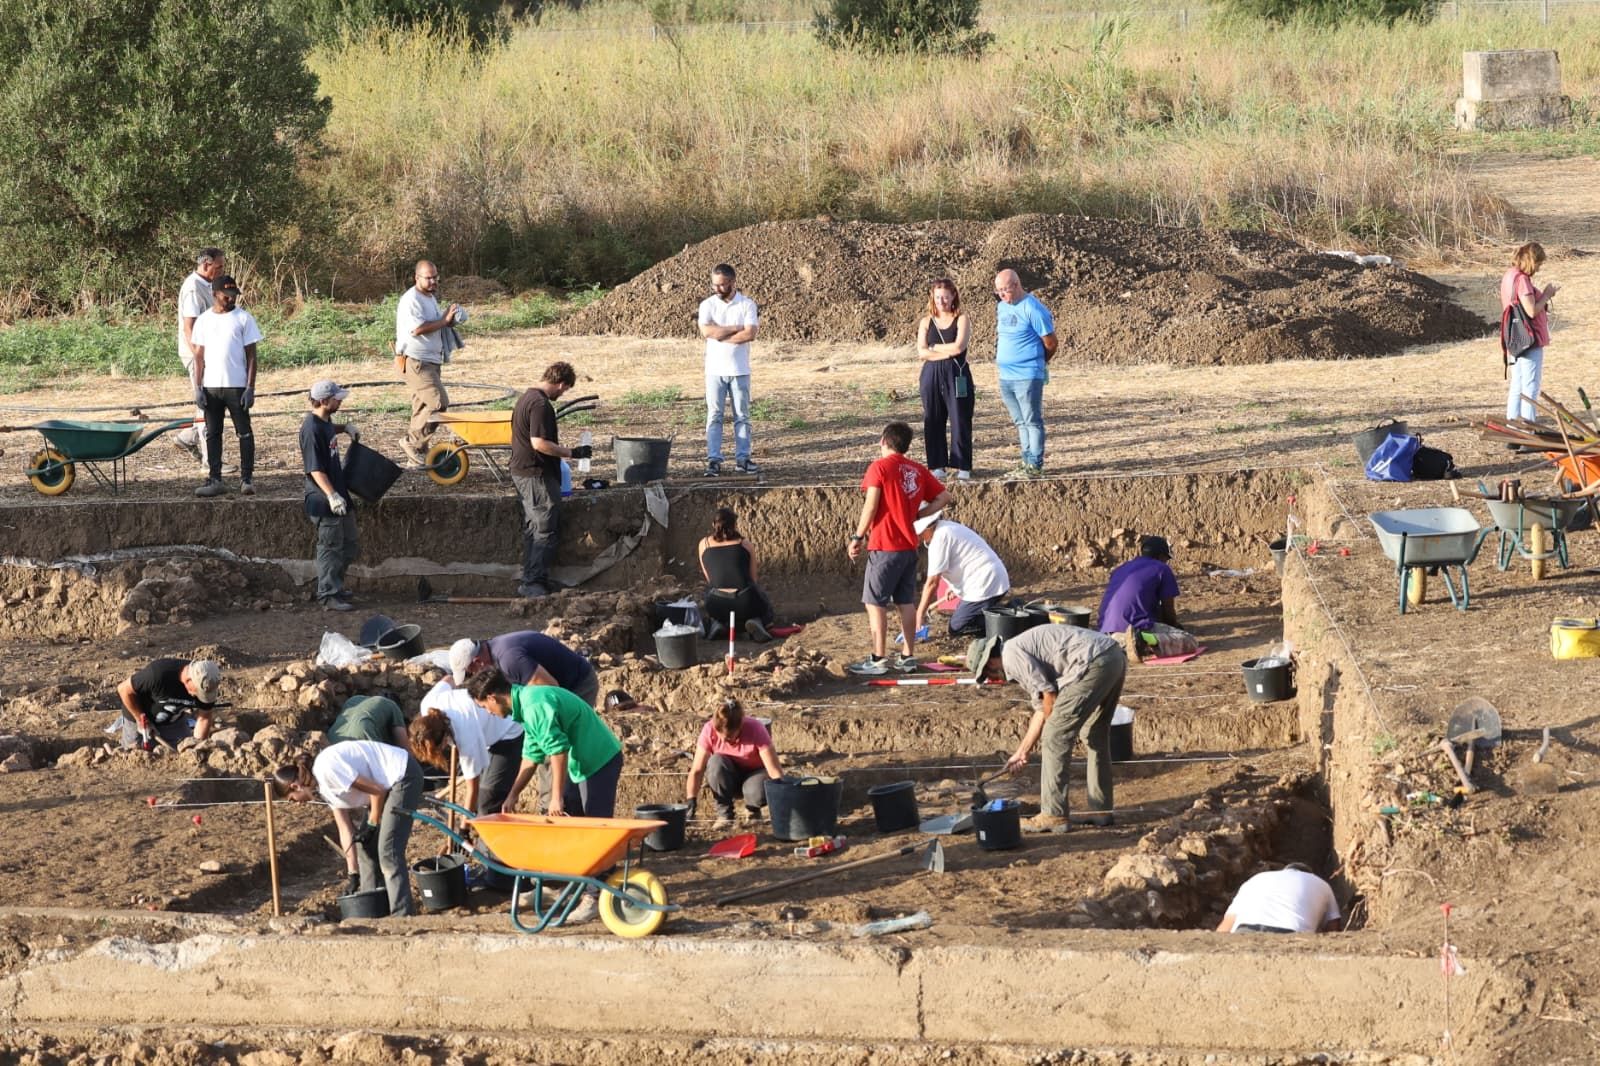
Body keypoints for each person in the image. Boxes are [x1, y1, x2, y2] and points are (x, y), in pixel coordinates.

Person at [467, 667, 625, 925]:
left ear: (494, 697)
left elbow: (558, 751)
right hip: (580, 765)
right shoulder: (525, 706)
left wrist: (555, 797)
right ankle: (577, 885)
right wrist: (513, 795)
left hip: (599, 760)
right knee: (573, 824)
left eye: (485, 706)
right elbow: (531, 757)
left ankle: (595, 897)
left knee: (597, 830)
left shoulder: (534, 705)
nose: (488, 713)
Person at [969, 623, 1127, 833]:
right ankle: (1101, 810)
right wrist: (1021, 752)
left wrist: (1054, 730)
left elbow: (1049, 695)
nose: (993, 679)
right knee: (1094, 734)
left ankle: (1053, 814)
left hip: (1093, 662)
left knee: (1054, 737)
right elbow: (1042, 710)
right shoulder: (1018, 651)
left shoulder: (1011, 657)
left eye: (987, 674)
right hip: (1113, 656)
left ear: (990, 661)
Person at [272, 741, 424, 916]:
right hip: (383, 788)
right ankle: (373, 909)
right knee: (364, 846)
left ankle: (402, 915)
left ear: (295, 786)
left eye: (292, 799)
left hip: (402, 775)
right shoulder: (322, 789)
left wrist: (373, 824)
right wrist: (353, 874)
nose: (296, 804)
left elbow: (377, 791)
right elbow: (345, 829)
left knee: (388, 850)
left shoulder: (326, 769)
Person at [846, 422, 950, 675]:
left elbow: (870, 506)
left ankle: (878, 659)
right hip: (908, 547)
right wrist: (918, 513)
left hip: (885, 545)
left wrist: (857, 536)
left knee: (875, 603)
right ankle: (907, 657)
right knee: (905, 603)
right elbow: (945, 497)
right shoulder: (916, 469)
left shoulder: (879, 467)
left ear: (884, 441)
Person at [509, 362, 587, 599]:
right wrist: (571, 453)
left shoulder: (527, 397)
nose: (562, 394)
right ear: (561, 383)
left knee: (535, 526)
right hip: (535, 474)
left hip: (526, 471)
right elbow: (539, 443)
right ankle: (532, 582)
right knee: (544, 527)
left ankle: (535, 577)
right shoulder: (540, 404)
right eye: (564, 390)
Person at [410, 678, 528, 817]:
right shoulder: (427, 704)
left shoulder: (465, 735)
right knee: (481, 802)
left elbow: (473, 789)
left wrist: (463, 829)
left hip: (508, 729)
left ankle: (489, 835)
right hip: (486, 730)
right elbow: (449, 679)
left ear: (443, 740)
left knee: (488, 798)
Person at [190, 275, 260, 498]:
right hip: (212, 387)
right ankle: (215, 478)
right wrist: (197, 387)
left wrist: (250, 387)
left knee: (244, 432)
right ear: (215, 294)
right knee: (213, 433)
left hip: (237, 386)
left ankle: (246, 479)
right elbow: (199, 357)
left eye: (233, 296)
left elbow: (251, 357)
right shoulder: (203, 321)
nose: (230, 300)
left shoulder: (243, 319)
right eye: (226, 296)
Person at [299, 380, 361, 612]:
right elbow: (315, 469)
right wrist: (332, 496)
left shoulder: (324, 421)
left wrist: (344, 428)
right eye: (336, 398)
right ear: (324, 401)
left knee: (350, 544)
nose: (340, 401)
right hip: (324, 499)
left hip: (338, 493)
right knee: (330, 547)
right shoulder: (311, 429)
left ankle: (335, 585)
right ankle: (327, 594)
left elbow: (328, 430)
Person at [395, 260, 462, 468]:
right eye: (428, 277)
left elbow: (434, 323)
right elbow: (417, 329)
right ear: (417, 278)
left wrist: (448, 318)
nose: (433, 281)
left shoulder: (429, 297)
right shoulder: (411, 299)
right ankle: (411, 442)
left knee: (422, 406)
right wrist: (443, 321)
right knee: (438, 403)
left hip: (431, 360)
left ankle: (415, 457)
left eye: (435, 277)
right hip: (416, 360)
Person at [993, 269, 1057, 479]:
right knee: (1020, 421)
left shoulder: (1033, 308)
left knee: (1032, 420)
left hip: (1027, 375)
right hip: (1006, 375)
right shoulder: (1002, 307)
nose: (1001, 294)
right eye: (998, 290)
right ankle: (1025, 460)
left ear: (1016, 285)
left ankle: (1035, 464)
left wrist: (1038, 362)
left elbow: (1050, 342)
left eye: (1005, 290)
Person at [698, 263, 760, 477]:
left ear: (733, 283)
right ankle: (714, 460)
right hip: (714, 371)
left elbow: (750, 333)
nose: (717, 288)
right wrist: (736, 328)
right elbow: (707, 331)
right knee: (714, 415)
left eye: (722, 285)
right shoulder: (707, 305)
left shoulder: (747, 305)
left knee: (741, 416)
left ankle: (743, 459)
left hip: (740, 370)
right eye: (715, 284)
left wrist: (722, 333)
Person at [685, 698, 783, 830]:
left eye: (732, 737)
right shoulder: (709, 731)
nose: (728, 741)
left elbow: (774, 772)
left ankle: (752, 811)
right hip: (728, 777)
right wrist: (691, 800)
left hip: (755, 777)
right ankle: (725, 816)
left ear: (740, 726)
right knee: (715, 762)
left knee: (758, 789)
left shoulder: (755, 728)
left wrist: (784, 802)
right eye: (724, 738)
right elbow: (696, 770)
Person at [1098, 535, 1198, 662]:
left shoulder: (1121, 568)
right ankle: (1142, 643)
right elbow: (1168, 609)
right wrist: (1175, 626)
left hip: (1106, 629)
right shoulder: (1162, 568)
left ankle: (1121, 642)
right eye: (1166, 559)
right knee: (1190, 641)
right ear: (1161, 556)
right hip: (1135, 626)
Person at [912, 511, 1010, 638]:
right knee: (964, 615)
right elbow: (965, 557)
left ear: (927, 528)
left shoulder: (939, 539)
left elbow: (932, 583)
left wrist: (919, 613)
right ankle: (1002, 614)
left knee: (958, 627)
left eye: (918, 533)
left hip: (986, 582)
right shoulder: (946, 528)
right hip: (990, 578)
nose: (917, 536)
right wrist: (954, 587)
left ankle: (1009, 622)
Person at [916, 278, 974, 482]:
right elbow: (921, 352)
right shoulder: (926, 321)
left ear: (953, 297)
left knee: (960, 418)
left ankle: (962, 465)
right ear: (933, 297)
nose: (941, 301)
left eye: (945, 297)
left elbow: (959, 347)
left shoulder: (962, 319)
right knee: (933, 418)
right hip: (930, 374)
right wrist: (945, 351)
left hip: (956, 373)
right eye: (938, 296)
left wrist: (935, 349)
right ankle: (936, 464)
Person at [449, 629, 599, 707]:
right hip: (566, 683)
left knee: (567, 742)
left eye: (470, 674)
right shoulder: (494, 648)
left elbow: (552, 691)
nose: (475, 678)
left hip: (579, 685)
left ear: (477, 661)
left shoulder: (509, 660)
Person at [173, 247, 226, 466]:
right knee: (207, 403)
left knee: (209, 402)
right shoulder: (194, 288)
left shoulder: (207, 284)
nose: (222, 271)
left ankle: (186, 439)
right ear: (206, 264)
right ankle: (210, 461)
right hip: (198, 354)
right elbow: (189, 327)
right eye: (219, 266)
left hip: (209, 353)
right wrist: (198, 357)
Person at [698, 506, 775, 642]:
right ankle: (757, 621)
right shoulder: (745, 544)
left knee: (710, 591)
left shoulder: (704, 545)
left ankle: (718, 622)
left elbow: (710, 578)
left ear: (713, 525)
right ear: (735, 525)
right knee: (762, 598)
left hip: (716, 603)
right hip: (745, 602)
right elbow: (753, 579)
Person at [1501, 241, 1559, 425]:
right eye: (1539, 264)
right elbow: (1531, 310)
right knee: (1530, 386)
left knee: (1517, 384)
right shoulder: (1522, 280)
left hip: (1513, 337)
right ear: (1532, 261)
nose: (1539, 269)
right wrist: (1547, 294)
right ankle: (1528, 431)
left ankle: (1512, 430)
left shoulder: (1509, 275)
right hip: (1529, 339)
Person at [115, 658, 223, 750]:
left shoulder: (207, 685)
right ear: (188, 680)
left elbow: (204, 718)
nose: (198, 696)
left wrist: (197, 748)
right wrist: (139, 719)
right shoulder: (159, 673)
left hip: (173, 722)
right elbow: (123, 689)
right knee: (137, 756)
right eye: (197, 692)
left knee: (185, 751)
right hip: (139, 717)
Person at [1217, 864, 1341, 934]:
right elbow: (1333, 933)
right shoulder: (1322, 884)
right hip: (1292, 935)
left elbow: (1225, 927)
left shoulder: (1257, 879)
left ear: (1284, 870)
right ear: (1309, 873)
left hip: (1245, 931)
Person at [328, 694, 408, 747]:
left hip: (332, 739)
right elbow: (404, 749)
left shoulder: (354, 699)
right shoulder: (393, 706)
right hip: (364, 736)